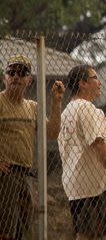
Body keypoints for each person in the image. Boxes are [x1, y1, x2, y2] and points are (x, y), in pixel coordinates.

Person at [0, 55, 65, 240]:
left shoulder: (33, 107)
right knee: (5, 231)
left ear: (29, 80)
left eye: (21, 73)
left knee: (22, 229)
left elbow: (51, 133)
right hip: (5, 176)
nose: (15, 77)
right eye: (11, 72)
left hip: (25, 175)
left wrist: (56, 102)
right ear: (4, 77)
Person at [58, 65, 106, 240]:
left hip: (76, 182)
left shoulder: (68, 110)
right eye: (95, 78)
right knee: (90, 234)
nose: (100, 83)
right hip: (91, 185)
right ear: (82, 83)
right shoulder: (87, 108)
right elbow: (98, 143)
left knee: (85, 232)